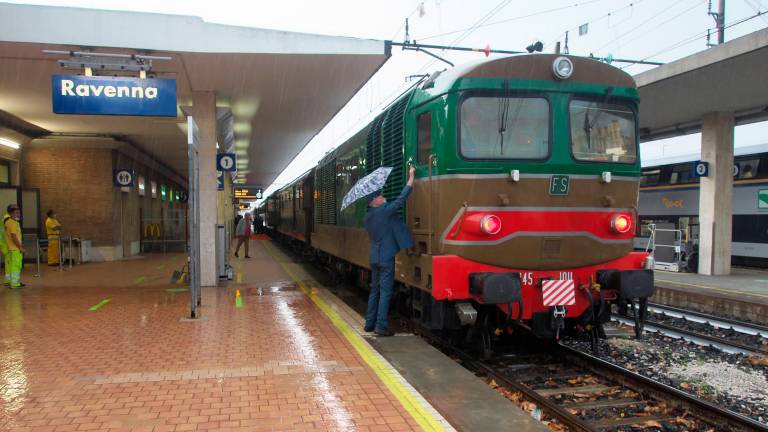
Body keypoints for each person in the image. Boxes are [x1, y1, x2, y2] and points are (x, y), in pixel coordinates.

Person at [364, 165, 415, 336]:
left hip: (374, 257)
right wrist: (411, 179)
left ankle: (369, 324)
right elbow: (401, 200)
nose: (382, 196)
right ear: (374, 201)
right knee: (385, 292)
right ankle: (381, 326)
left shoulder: (368, 217)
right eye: (379, 195)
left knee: (375, 291)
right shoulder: (384, 212)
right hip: (386, 258)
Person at [4, 205, 24, 288]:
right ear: (11, 213)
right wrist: (20, 247)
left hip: (11, 248)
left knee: (12, 266)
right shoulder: (13, 223)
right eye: (16, 213)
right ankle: (15, 283)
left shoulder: (8, 222)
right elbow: (14, 236)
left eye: (19, 213)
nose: (18, 214)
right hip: (15, 249)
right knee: (16, 266)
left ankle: (11, 282)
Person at [0, 205, 14, 286]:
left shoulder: (6, 217)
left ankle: (9, 280)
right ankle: (10, 281)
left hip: (5, 243)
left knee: (9, 262)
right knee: (10, 262)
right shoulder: (8, 219)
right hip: (7, 244)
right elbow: (11, 233)